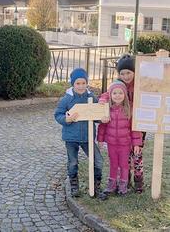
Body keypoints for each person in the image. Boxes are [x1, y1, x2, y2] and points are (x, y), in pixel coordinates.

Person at [99, 54, 145, 193]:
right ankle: (126, 180)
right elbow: (107, 94)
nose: (126, 76)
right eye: (122, 73)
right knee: (124, 157)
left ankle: (139, 180)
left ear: (134, 72)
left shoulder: (140, 83)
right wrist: (102, 103)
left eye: (129, 73)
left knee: (137, 152)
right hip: (121, 120)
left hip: (138, 121)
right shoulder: (118, 84)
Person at [54, 68, 103, 197]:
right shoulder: (66, 99)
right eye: (78, 83)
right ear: (73, 84)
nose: (81, 86)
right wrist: (66, 119)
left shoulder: (91, 98)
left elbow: (97, 115)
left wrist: (102, 119)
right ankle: (74, 185)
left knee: (98, 160)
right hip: (71, 138)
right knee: (73, 162)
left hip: (87, 137)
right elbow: (58, 114)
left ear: (87, 83)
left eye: (83, 83)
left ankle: (96, 186)